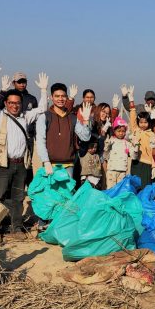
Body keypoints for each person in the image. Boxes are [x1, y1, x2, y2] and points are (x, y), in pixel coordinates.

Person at [0, 60, 48, 239]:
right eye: (11, 102)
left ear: (21, 103)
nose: (14, 105)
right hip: (3, 165)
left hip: (21, 165)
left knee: (18, 198)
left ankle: (16, 227)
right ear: (5, 103)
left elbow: (42, 108)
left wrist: (43, 90)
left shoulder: (25, 118)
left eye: (17, 103)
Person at [35, 83, 92, 229]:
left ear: (67, 98)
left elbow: (85, 137)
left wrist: (86, 121)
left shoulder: (72, 118)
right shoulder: (45, 117)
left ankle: (60, 226)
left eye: (63, 96)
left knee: (66, 196)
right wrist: (46, 161)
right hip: (51, 164)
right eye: (57, 96)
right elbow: (40, 141)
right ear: (51, 97)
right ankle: (43, 223)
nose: (60, 99)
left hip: (68, 165)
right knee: (48, 195)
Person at [127, 85, 155, 188]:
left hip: (147, 164)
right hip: (136, 162)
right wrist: (131, 101)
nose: (143, 124)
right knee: (135, 186)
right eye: (141, 122)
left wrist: (154, 166)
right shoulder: (136, 130)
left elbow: (153, 152)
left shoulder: (152, 134)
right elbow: (132, 117)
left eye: (145, 122)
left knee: (145, 187)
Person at [103, 117, 135, 189]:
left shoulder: (127, 143)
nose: (121, 133)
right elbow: (105, 155)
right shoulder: (111, 141)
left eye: (123, 131)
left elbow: (134, 156)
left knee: (120, 190)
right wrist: (107, 146)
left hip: (122, 171)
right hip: (111, 171)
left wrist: (135, 147)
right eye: (119, 131)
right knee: (110, 189)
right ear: (114, 131)